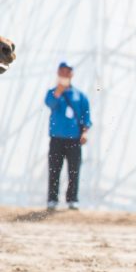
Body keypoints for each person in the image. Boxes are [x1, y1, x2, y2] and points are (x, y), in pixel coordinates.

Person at [44, 61, 92, 211]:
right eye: (62, 71)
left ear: (72, 74)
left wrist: (84, 133)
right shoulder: (52, 92)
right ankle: (52, 200)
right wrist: (59, 90)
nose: (65, 74)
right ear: (58, 73)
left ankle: (72, 199)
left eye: (68, 71)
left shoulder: (80, 96)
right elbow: (49, 103)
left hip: (74, 139)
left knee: (74, 170)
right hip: (56, 138)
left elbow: (86, 117)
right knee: (54, 170)